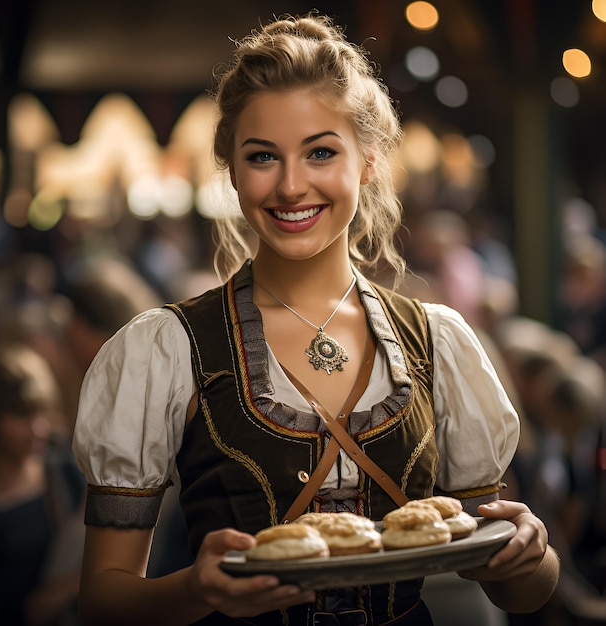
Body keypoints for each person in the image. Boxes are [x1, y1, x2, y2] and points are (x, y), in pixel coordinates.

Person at [72, 12, 560, 626]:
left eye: (321, 152)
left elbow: (518, 592)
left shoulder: (438, 341)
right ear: (231, 167)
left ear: (370, 160)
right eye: (262, 157)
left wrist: (528, 553)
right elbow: (101, 600)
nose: (291, 185)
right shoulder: (165, 349)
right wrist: (198, 590)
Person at [0, 343, 85, 625]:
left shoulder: (66, 479)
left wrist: (62, 591)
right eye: (21, 416)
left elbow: (105, 559)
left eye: (41, 414)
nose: (37, 430)